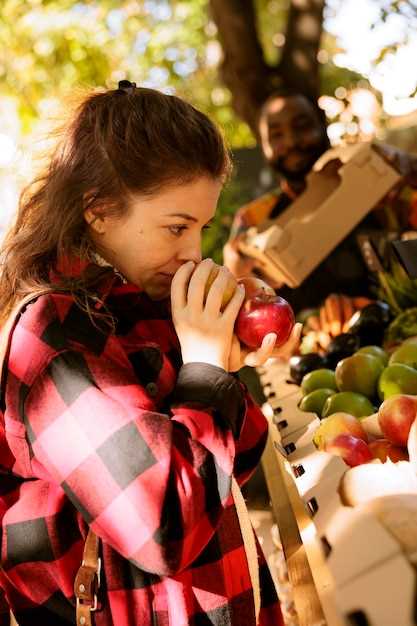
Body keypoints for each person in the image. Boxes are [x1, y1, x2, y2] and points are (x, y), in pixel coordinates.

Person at [0, 81, 300, 625]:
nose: (193, 253)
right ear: (99, 210)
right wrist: (205, 368)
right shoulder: (52, 336)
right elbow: (165, 529)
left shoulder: (139, 307)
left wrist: (227, 362)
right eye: (176, 227)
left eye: (202, 228)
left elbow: (235, 469)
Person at [224, 89, 417, 341]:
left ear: (322, 127)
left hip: (395, 339)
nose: (292, 142)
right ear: (264, 146)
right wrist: (236, 277)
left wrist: (411, 168)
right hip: (307, 355)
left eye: (302, 126)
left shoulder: (379, 189)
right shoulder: (252, 220)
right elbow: (245, 320)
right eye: (277, 135)